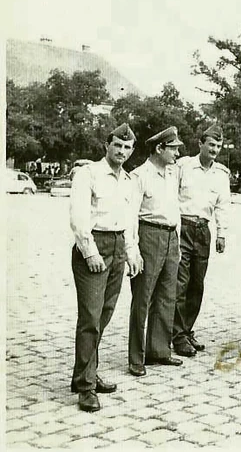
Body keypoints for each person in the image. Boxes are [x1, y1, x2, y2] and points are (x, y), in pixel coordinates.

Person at [69, 124, 141, 412]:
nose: (121, 151)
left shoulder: (129, 181)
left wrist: (131, 252)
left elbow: (130, 219)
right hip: (95, 246)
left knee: (105, 313)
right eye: (117, 145)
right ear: (107, 145)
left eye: (127, 147)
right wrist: (89, 252)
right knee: (90, 317)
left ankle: (84, 373)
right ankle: (85, 388)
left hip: (118, 247)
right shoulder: (89, 174)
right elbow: (78, 216)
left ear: (132, 150)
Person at [127, 127, 186, 377]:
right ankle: (136, 357)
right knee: (143, 297)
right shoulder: (139, 175)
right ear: (159, 148)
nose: (177, 153)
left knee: (167, 296)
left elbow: (175, 210)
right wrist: (133, 249)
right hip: (148, 234)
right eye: (173, 148)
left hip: (171, 236)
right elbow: (130, 214)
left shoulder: (172, 175)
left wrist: (178, 241)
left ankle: (159, 350)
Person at [172, 124, 230, 358]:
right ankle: (177, 336)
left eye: (218, 146)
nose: (215, 149)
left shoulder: (221, 174)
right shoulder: (183, 166)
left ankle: (186, 329)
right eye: (211, 145)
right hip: (183, 227)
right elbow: (171, 196)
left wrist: (222, 233)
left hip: (203, 231)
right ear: (200, 144)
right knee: (181, 283)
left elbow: (222, 206)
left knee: (197, 284)